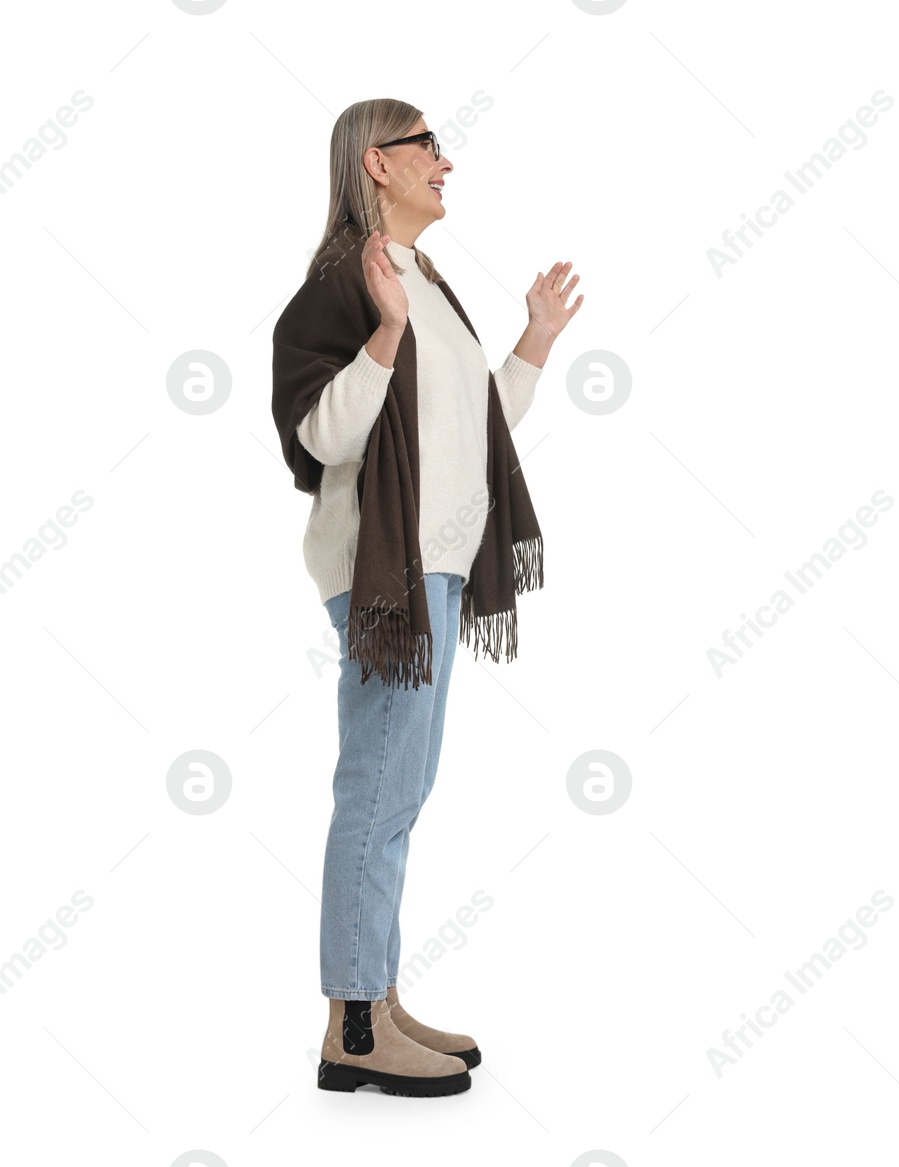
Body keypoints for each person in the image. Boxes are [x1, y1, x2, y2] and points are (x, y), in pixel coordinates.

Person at [270, 98, 583, 1097]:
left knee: (400, 790)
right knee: (375, 788)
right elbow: (325, 437)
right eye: (428, 148)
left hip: (437, 567)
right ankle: (351, 1029)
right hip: (384, 574)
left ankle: (376, 998)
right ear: (378, 163)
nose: (446, 163)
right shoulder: (345, 284)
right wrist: (384, 335)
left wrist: (531, 341)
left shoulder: (426, 281)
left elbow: (474, 430)